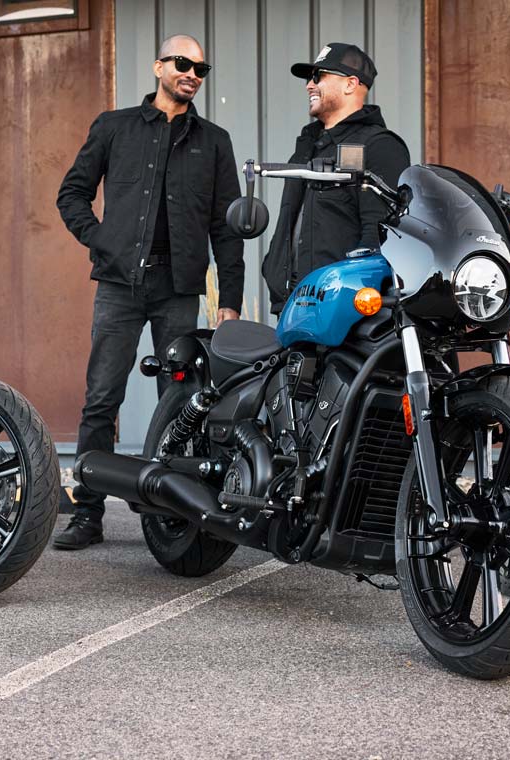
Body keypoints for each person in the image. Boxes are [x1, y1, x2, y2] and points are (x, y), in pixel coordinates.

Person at [54, 34, 245, 550]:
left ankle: (172, 516)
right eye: (183, 63)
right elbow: (71, 194)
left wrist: (229, 300)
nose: (192, 74)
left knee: (180, 403)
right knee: (101, 398)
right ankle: (88, 513)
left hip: (178, 290)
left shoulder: (214, 141)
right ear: (158, 66)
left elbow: (227, 227)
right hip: (120, 285)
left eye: (201, 68)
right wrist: (102, 242)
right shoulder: (113, 127)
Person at [263, 43, 411, 313]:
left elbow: (381, 236)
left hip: (343, 308)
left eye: (318, 76)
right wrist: (273, 268)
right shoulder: (307, 146)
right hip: (294, 303)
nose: (309, 85)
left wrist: (349, 291)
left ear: (350, 84)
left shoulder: (380, 146)